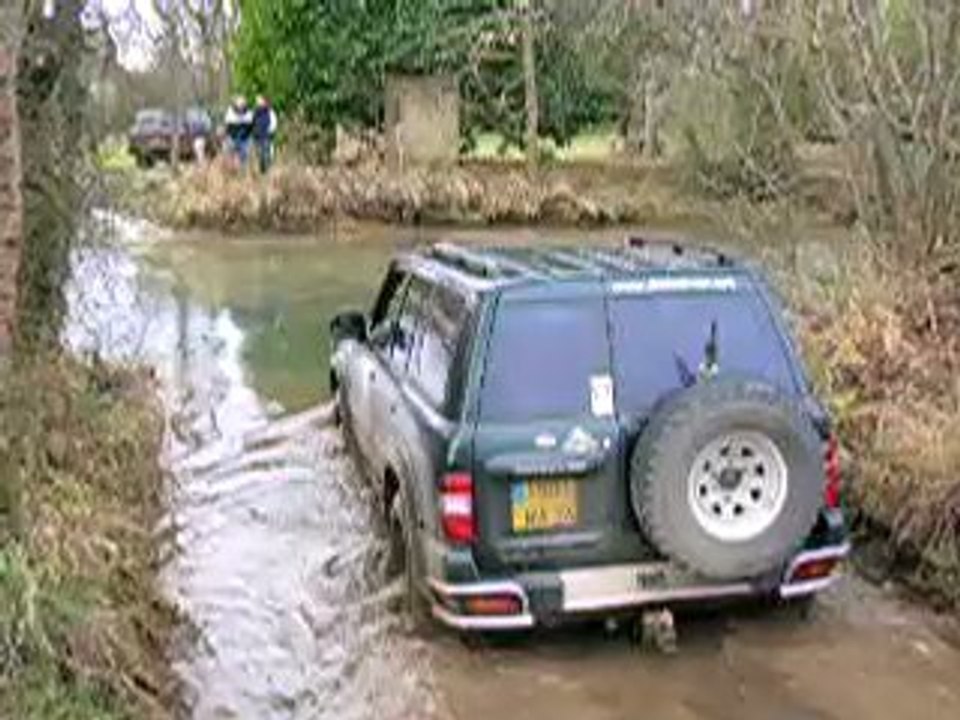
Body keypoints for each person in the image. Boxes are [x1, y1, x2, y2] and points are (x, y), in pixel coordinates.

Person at [224, 96, 253, 167]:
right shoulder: (230, 112)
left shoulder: (249, 113)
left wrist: (245, 133)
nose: (241, 106)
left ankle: (243, 171)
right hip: (232, 137)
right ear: (236, 104)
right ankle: (231, 169)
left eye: (243, 104)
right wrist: (232, 134)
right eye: (240, 104)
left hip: (245, 138)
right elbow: (228, 127)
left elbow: (250, 127)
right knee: (230, 154)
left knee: (244, 156)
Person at [252, 95, 278, 174]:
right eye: (257, 102)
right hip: (257, 137)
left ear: (264, 102)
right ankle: (261, 172)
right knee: (259, 156)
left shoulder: (270, 112)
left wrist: (268, 133)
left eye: (259, 101)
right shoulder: (255, 112)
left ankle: (267, 172)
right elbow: (252, 122)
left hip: (266, 137)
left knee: (266, 156)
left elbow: (274, 124)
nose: (258, 103)